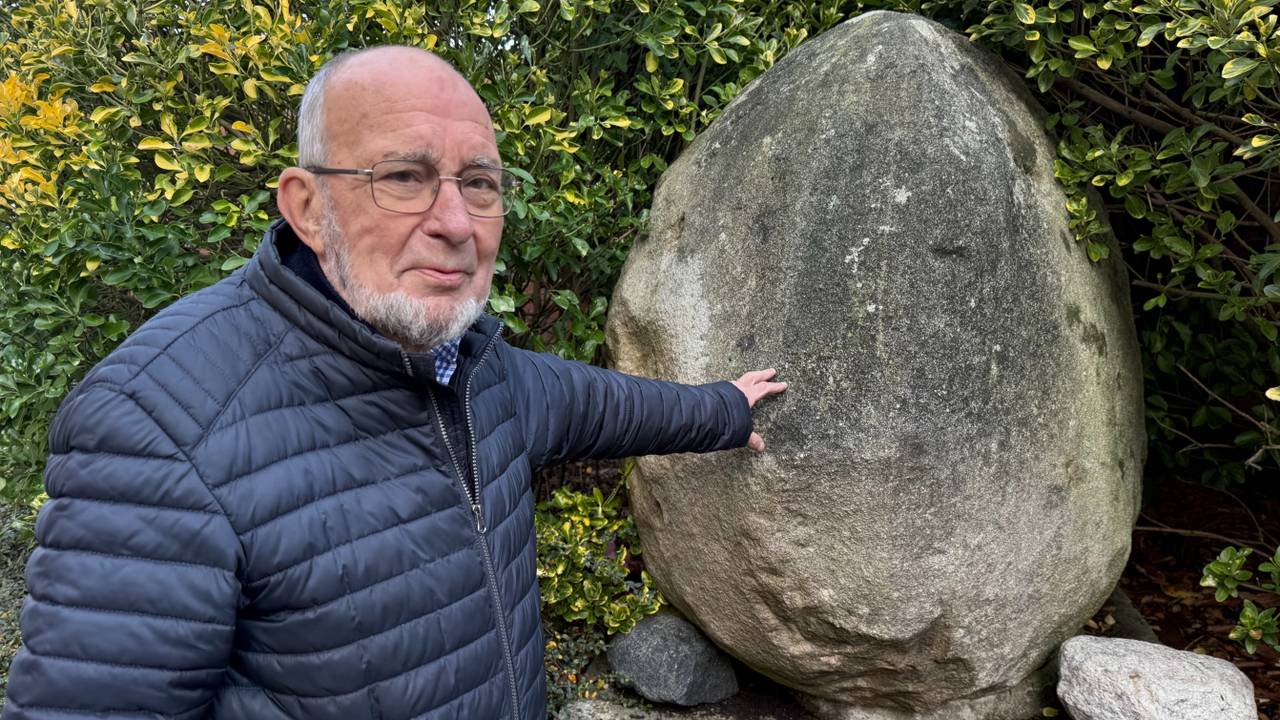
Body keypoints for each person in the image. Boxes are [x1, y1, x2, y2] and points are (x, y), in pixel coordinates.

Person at [1, 46, 785, 720]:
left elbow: (602, 406)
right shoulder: (162, 427)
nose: (454, 221)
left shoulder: (476, 370)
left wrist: (723, 408)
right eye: (404, 176)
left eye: (479, 183)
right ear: (306, 206)